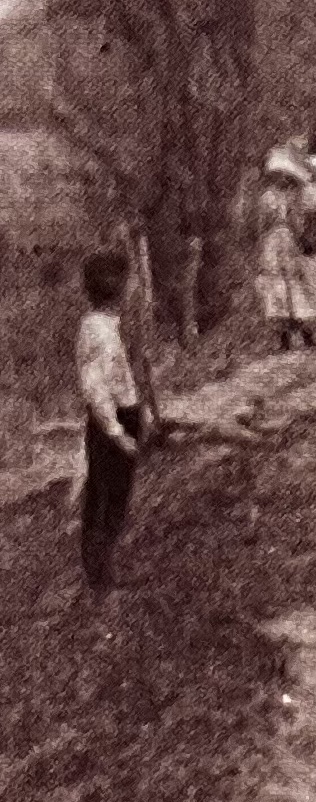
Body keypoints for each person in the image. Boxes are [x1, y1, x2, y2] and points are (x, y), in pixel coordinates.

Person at [76, 249, 150, 599]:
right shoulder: (98, 332)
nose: (134, 287)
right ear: (116, 287)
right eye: (130, 281)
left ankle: (105, 571)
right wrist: (118, 432)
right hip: (112, 424)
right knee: (106, 497)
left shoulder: (107, 325)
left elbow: (120, 379)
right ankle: (100, 578)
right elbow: (96, 389)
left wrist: (140, 410)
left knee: (115, 495)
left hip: (123, 416)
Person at [255, 145, 316, 350]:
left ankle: (307, 332)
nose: (281, 179)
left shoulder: (293, 195)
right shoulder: (268, 197)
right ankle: (285, 337)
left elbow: (299, 219)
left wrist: (298, 233)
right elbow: (261, 225)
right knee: (277, 287)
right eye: (277, 176)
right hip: (274, 243)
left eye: (283, 176)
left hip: (288, 241)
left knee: (296, 285)